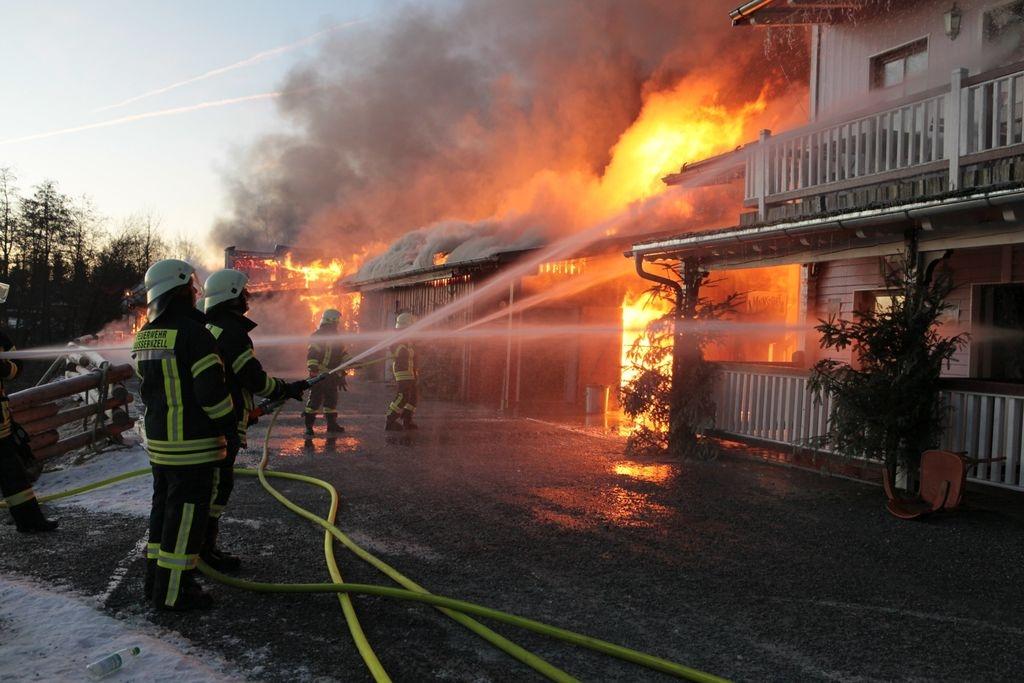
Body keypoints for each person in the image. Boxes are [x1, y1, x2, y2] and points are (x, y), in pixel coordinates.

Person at [132, 259, 239, 611]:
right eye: (190, 287)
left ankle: (155, 583)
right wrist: (230, 424)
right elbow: (211, 394)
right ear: (177, 290)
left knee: (163, 513)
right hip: (193, 446)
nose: (195, 292)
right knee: (186, 519)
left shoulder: (145, 334)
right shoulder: (195, 334)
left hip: (160, 445)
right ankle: (175, 593)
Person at [200, 269, 307, 571]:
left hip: (207, 420)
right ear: (232, 295)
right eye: (244, 293)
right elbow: (253, 379)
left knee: (206, 485)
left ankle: (199, 546)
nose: (247, 298)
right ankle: (204, 549)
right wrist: (284, 389)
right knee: (218, 487)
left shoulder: (208, 327)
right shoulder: (233, 332)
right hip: (224, 422)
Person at [0, 282, 58, 533]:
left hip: (2, 427)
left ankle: (30, 521)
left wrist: (5, 368)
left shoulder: (1, 338)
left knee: (15, 477)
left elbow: (17, 366)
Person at [304, 309, 349, 437]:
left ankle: (331, 425)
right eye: (337, 322)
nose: (338, 324)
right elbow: (312, 353)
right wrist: (313, 369)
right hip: (319, 375)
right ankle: (309, 427)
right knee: (314, 401)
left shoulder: (337, 337)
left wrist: (351, 362)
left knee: (331, 400)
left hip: (332, 375)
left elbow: (343, 354)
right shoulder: (318, 336)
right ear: (332, 321)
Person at [385, 312, 419, 431]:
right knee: (403, 396)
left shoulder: (408, 338)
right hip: (402, 371)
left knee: (413, 396)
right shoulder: (398, 339)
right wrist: (403, 350)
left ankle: (407, 419)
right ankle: (390, 420)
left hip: (411, 371)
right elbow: (395, 348)